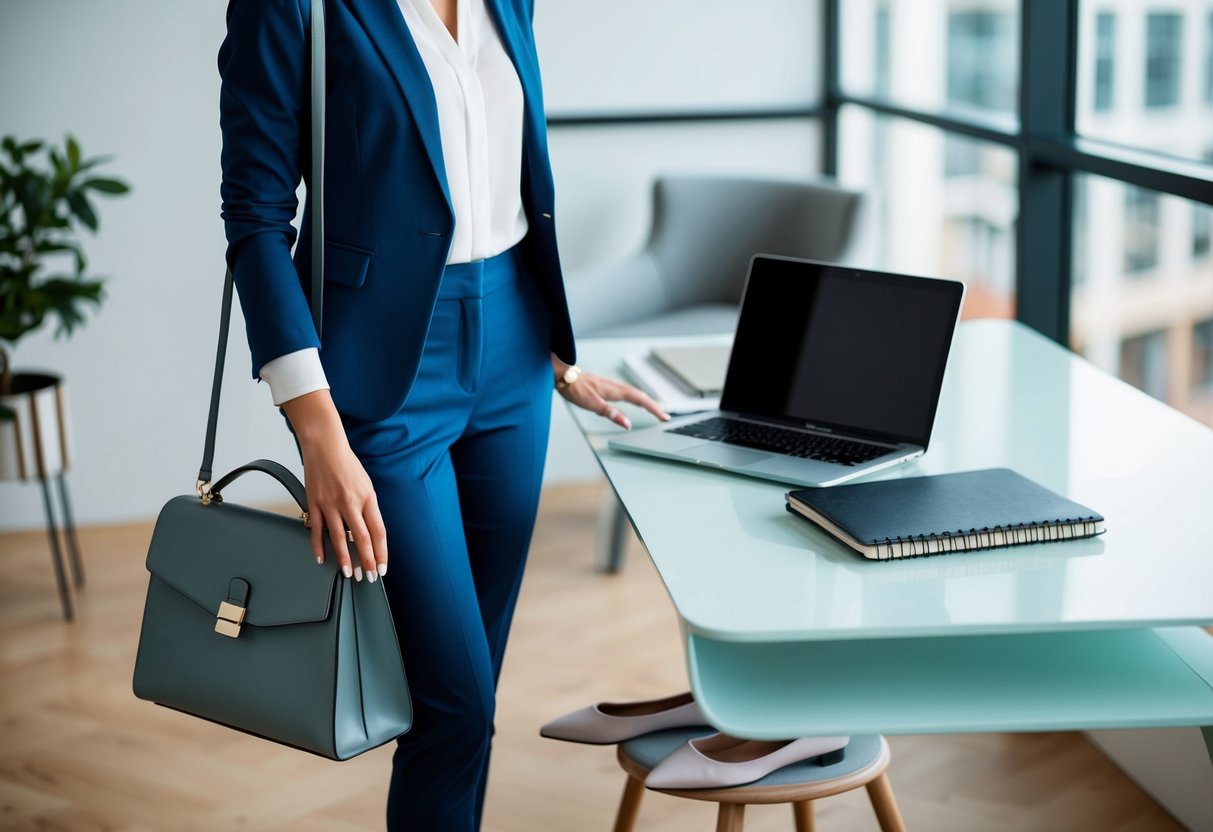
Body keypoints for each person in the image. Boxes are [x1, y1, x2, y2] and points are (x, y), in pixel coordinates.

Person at [217, 0, 668, 828]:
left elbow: (506, 172)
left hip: (515, 357)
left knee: (469, 692)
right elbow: (254, 216)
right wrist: (317, 432)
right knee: (453, 704)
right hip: (382, 381)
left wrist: (556, 356)